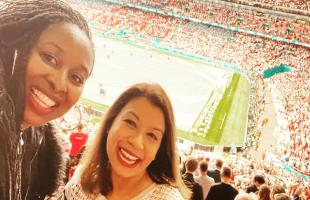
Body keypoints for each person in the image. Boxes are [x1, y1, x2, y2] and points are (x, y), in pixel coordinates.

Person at [0, 0, 95, 199]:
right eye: (49, 57)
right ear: (14, 45)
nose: (59, 84)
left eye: (76, 77)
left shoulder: (34, 143)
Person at [64, 83, 190, 199]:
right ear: (110, 124)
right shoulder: (80, 183)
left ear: (158, 150)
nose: (137, 142)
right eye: (130, 122)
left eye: (152, 135)